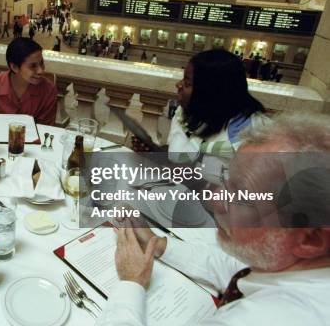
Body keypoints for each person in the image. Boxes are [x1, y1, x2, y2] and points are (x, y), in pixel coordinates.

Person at [98, 112, 330, 325]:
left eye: (242, 197)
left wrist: (130, 283)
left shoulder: (270, 317)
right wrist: (157, 243)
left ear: (311, 239)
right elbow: (237, 267)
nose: (213, 200)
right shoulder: (292, 264)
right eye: (226, 180)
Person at [132, 50, 266, 162]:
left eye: (188, 83)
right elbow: (183, 156)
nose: (178, 85)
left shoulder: (253, 134)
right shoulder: (185, 114)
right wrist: (154, 151)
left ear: (210, 91)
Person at [0, 37, 58, 125]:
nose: (41, 71)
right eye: (33, 66)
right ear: (14, 67)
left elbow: (46, 130)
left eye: (41, 63)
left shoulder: (48, 90)